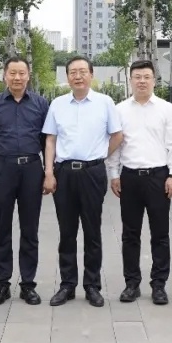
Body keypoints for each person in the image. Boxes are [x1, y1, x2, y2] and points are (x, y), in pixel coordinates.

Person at [43, 56, 123, 308]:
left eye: (82, 71)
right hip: (64, 173)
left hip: (92, 173)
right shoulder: (57, 104)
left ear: (91, 74)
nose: (78, 76)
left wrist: (100, 156)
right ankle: (67, 284)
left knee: (92, 230)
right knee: (66, 231)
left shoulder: (105, 102)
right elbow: (50, 140)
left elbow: (117, 135)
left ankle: (92, 286)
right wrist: (48, 172)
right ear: (67, 76)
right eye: (73, 72)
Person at [106, 59, 172, 305]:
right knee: (130, 234)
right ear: (130, 80)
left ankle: (159, 285)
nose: (142, 81)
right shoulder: (119, 110)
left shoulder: (167, 109)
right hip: (130, 178)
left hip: (159, 177)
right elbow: (116, 145)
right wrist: (114, 174)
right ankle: (132, 284)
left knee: (160, 234)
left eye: (146, 77)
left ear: (154, 80)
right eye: (137, 77)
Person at [0, 56, 50, 306]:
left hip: (31, 169)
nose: (17, 78)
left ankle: (28, 284)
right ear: (5, 75)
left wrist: (48, 172)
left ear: (28, 75)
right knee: (2, 229)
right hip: (2, 169)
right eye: (12, 73)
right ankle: (2, 284)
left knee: (30, 229)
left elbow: (48, 142)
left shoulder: (40, 104)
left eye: (22, 73)